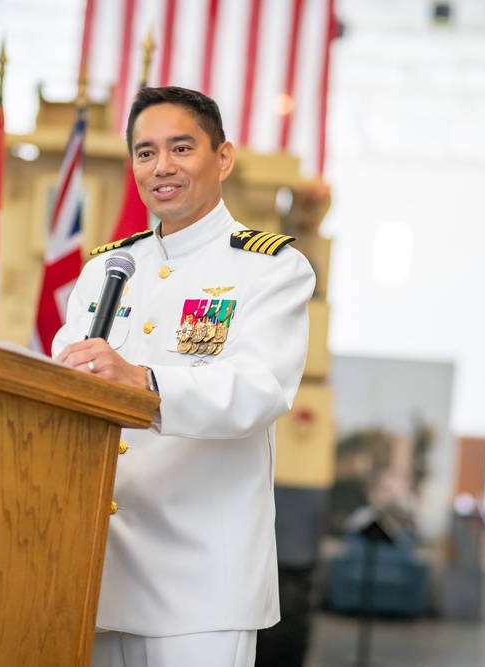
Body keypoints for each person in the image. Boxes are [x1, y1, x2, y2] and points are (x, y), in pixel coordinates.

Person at [53, 86, 316, 667]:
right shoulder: (106, 270)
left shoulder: (269, 268)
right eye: (145, 152)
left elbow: (259, 389)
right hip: (97, 570)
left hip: (199, 584)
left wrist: (145, 380)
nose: (162, 167)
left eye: (181, 147)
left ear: (222, 158)